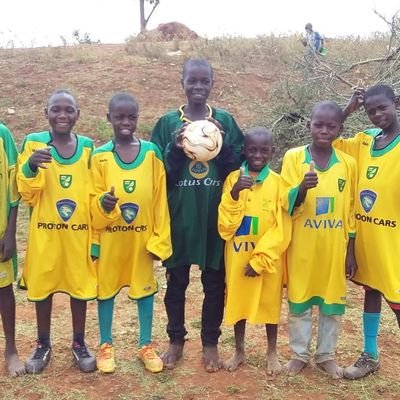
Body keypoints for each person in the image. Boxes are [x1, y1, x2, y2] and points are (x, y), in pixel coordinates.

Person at [151, 58, 244, 372]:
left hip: (214, 219)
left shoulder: (226, 121)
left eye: (205, 81)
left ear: (212, 83)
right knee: (176, 282)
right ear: (182, 81)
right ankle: (175, 340)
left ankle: (210, 344)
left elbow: (238, 167)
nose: (199, 87)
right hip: (179, 217)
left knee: (214, 284)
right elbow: (160, 174)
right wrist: (178, 146)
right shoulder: (166, 123)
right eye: (193, 80)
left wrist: (221, 140)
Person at [91, 92, 172, 374]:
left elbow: (161, 199)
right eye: (119, 117)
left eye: (131, 117)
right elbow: (93, 200)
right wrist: (104, 204)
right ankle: (105, 345)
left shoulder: (151, 153)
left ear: (138, 118)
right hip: (112, 239)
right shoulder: (100, 156)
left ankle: (145, 345)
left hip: (142, 240)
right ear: (108, 119)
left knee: (145, 290)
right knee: (106, 290)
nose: (126, 122)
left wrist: (159, 240)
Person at [17, 89, 97, 374]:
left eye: (69, 110)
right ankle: (43, 344)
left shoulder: (88, 147)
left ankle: (78, 343)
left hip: (78, 234)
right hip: (45, 235)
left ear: (78, 114)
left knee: (80, 288)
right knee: (43, 289)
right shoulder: (34, 143)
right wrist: (30, 166)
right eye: (56, 109)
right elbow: (26, 193)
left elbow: (93, 193)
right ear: (46, 112)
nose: (62, 115)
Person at [280, 100, 357, 379]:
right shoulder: (293, 157)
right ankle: (299, 354)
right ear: (308, 125)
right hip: (302, 246)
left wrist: (351, 250)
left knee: (332, 302)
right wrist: (301, 188)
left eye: (331, 126)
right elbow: (284, 201)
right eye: (318, 124)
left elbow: (350, 209)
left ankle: (326, 355)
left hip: (333, 248)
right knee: (299, 300)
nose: (324, 130)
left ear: (340, 129)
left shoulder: (347, 163)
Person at [336, 84, 400, 379]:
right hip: (367, 239)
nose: (376, 115)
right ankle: (370, 354)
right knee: (372, 291)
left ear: (395, 103)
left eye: (382, 108)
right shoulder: (365, 141)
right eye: (370, 111)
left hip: (394, 242)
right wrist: (348, 110)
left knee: (396, 300)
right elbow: (329, 141)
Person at [217, 127, 290, 374]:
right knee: (238, 302)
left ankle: (272, 352)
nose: (257, 154)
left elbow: (282, 227)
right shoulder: (232, 179)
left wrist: (261, 260)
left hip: (267, 260)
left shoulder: (280, 183)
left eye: (264, 150)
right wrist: (236, 192)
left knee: (270, 304)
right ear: (244, 150)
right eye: (252, 149)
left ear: (272, 152)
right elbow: (225, 227)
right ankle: (239, 350)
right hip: (238, 254)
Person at [0, 123, 25, 377]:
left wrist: (10, 232)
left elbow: (14, 188)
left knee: (3, 291)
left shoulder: (3, 134)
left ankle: (11, 350)